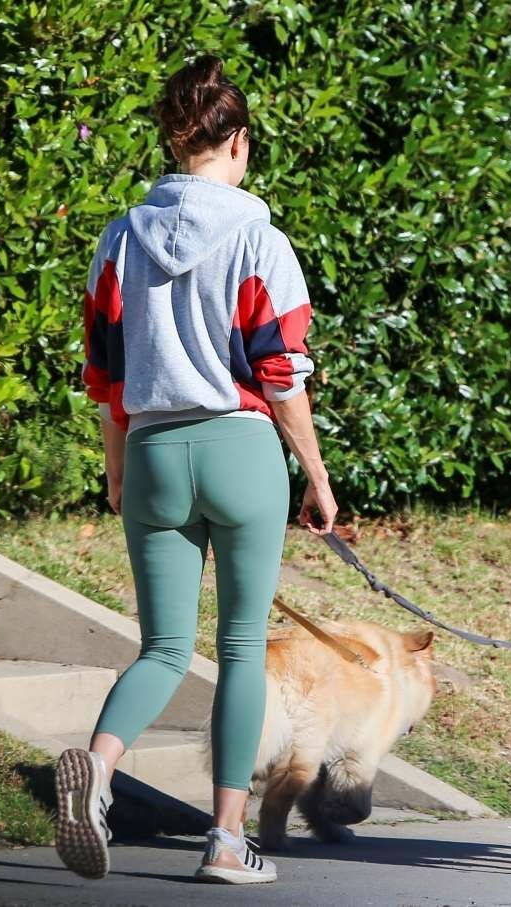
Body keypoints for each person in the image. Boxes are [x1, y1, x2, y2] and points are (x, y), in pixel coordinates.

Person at [53, 53, 338, 886]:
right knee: (241, 648)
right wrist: (317, 478)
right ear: (237, 141)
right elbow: (281, 375)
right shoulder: (259, 240)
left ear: (174, 143)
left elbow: (104, 376)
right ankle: (224, 840)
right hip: (239, 448)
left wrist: (117, 473)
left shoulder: (118, 240)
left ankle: (98, 770)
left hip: (150, 450)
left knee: (165, 647)